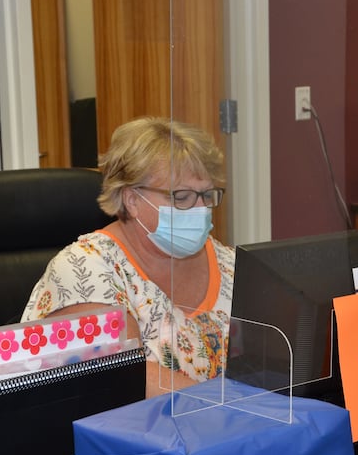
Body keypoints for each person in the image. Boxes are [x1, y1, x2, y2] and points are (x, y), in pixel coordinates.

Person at [21, 117, 234, 397]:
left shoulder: (227, 261)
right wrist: (236, 408)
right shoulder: (83, 270)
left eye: (207, 195)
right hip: (134, 434)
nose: (200, 209)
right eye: (181, 197)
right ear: (132, 200)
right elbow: (126, 377)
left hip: (232, 431)